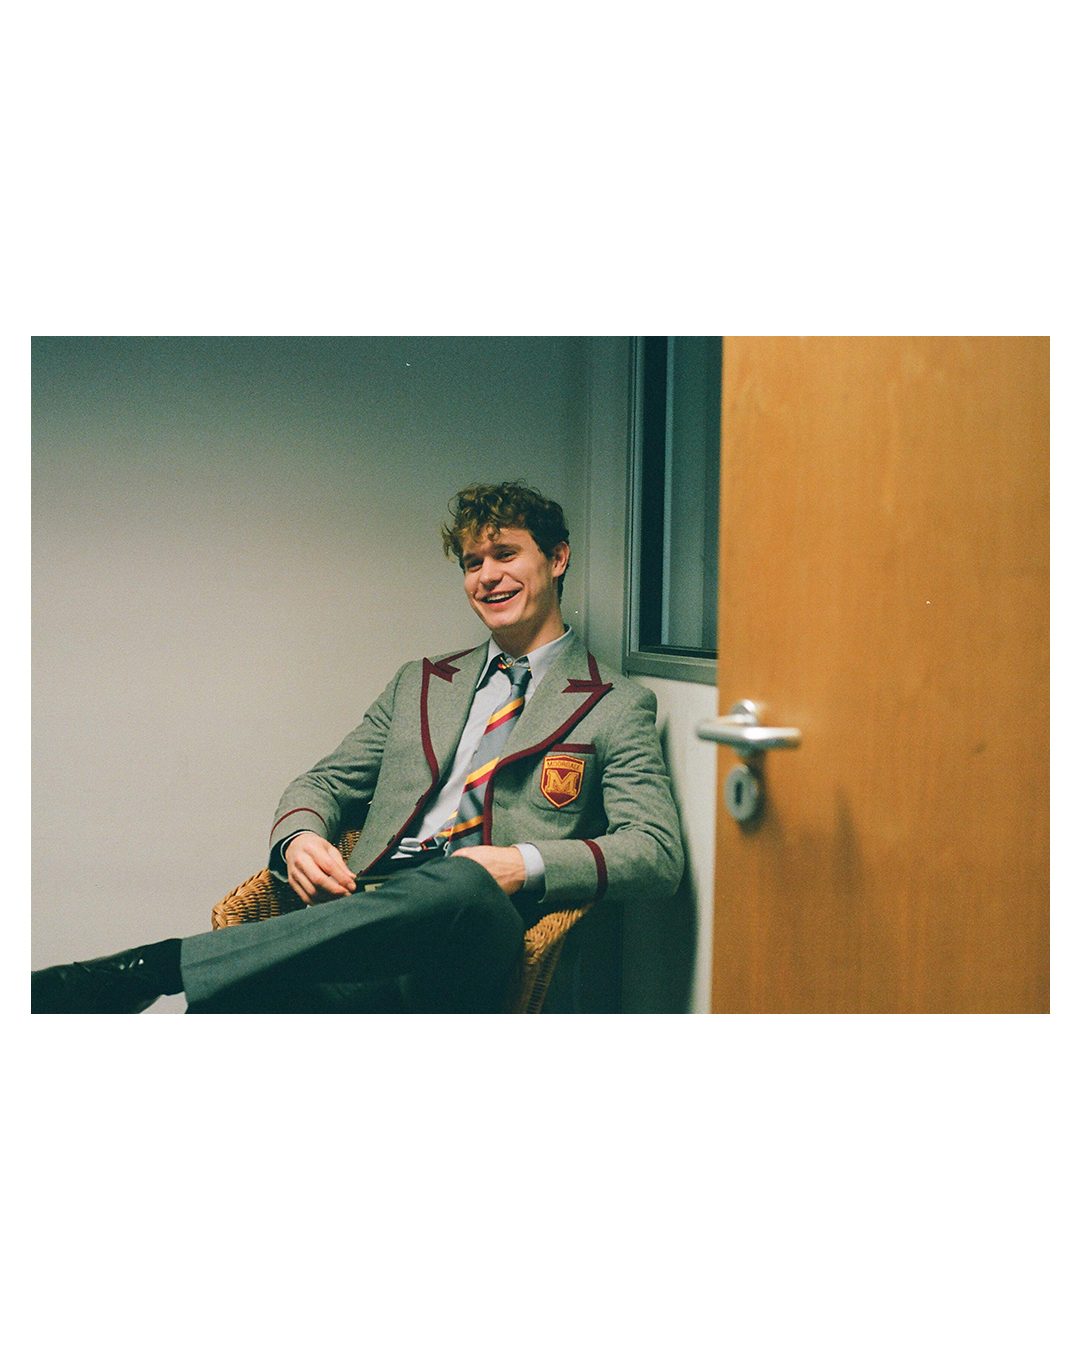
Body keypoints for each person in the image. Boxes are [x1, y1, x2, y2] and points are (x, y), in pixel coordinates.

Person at [32, 482, 684, 1013]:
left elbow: (655, 851)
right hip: (360, 917)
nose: (487, 576)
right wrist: (299, 840)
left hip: (474, 934)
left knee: (463, 881)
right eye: (472, 563)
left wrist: (518, 863)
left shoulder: (615, 703)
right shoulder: (420, 683)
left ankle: (150, 969)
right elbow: (322, 784)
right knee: (232, 1002)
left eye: (505, 554)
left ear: (557, 558)